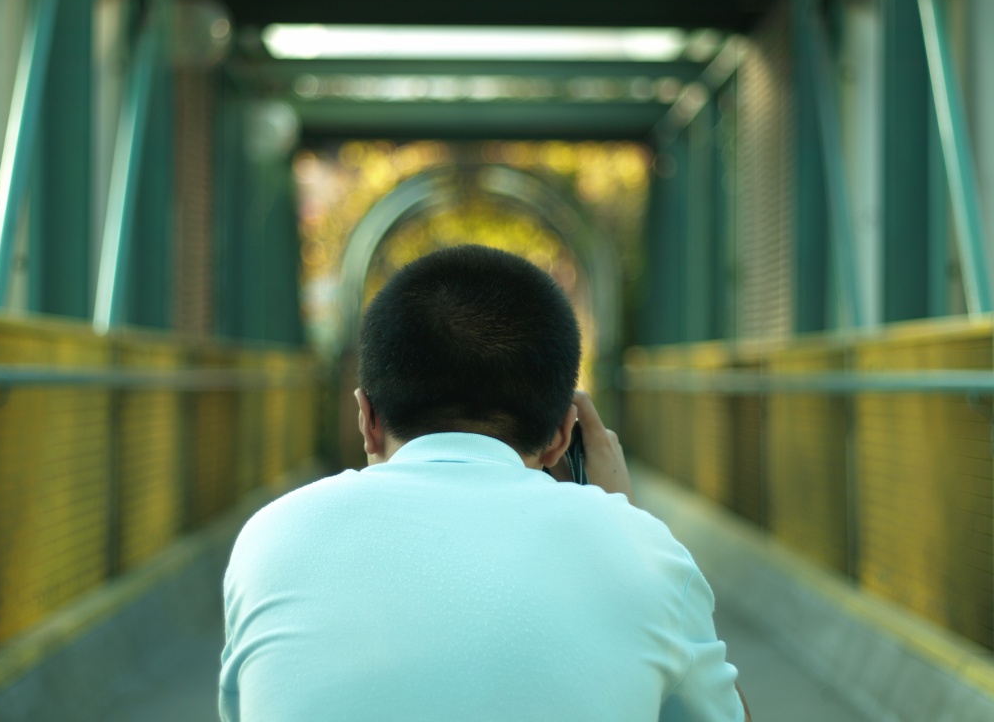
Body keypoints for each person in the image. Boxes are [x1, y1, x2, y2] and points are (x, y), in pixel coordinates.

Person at [219, 244, 751, 721]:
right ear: (563, 436)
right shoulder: (641, 548)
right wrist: (624, 517)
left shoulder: (271, 536)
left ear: (367, 418)